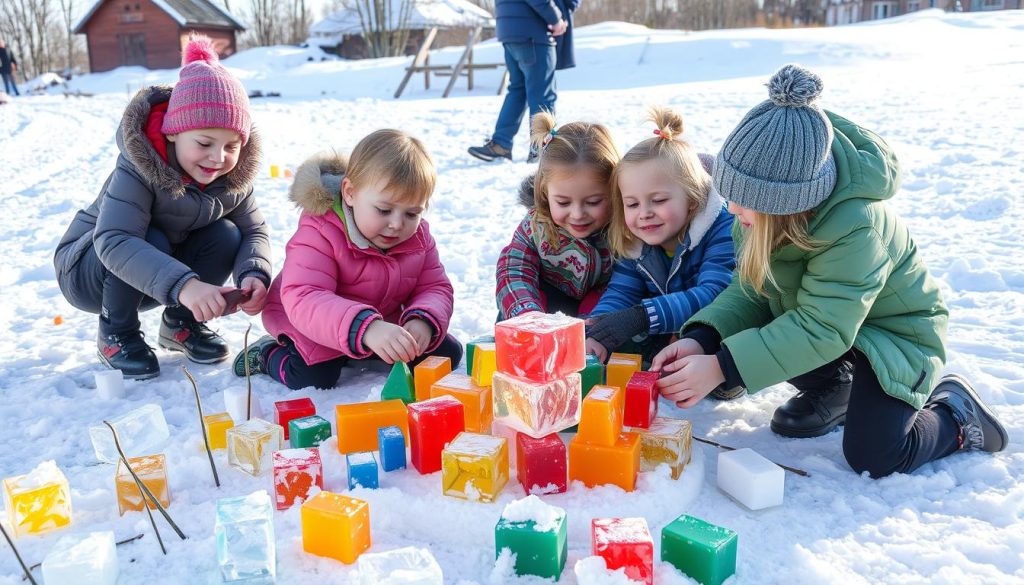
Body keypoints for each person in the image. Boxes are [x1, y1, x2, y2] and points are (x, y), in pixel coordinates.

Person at [652, 64, 1008, 478]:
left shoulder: (857, 227)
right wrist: (705, 338)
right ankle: (836, 386)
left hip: (894, 335)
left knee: (876, 456)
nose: (732, 209)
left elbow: (822, 328)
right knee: (751, 343)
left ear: (787, 202)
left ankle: (957, 415)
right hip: (832, 327)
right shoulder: (759, 217)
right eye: (730, 195)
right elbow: (750, 290)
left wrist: (726, 366)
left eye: (744, 201)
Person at [53, 36, 271, 380]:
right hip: (88, 268)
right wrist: (187, 286)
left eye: (231, 145)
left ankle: (181, 325)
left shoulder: (231, 177)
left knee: (228, 233)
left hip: (159, 274)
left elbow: (253, 231)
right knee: (146, 237)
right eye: (204, 143)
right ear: (172, 133)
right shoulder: (139, 167)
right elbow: (114, 239)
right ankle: (116, 333)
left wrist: (253, 274)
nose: (218, 157)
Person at [234, 129, 462, 390]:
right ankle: (266, 355)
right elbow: (305, 295)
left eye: (412, 213)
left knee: (446, 352)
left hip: (377, 319)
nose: (397, 224)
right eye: (384, 210)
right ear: (350, 192)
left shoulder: (418, 237)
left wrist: (422, 319)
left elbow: (435, 286)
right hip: (309, 320)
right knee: (314, 377)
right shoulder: (320, 231)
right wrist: (367, 329)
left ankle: (361, 346)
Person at [584, 107, 735, 364]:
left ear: (692, 198)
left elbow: (716, 293)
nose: (644, 213)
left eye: (658, 200)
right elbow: (623, 291)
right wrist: (597, 329)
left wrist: (641, 316)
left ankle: (724, 375)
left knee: (716, 334)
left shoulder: (722, 228)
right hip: (670, 325)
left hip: (720, 326)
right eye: (632, 204)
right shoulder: (636, 240)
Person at [496, 112, 620, 320]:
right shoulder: (536, 226)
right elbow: (514, 268)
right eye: (563, 202)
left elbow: (629, 282)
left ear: (614, 190)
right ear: (545, 192)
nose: (578, 214)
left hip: (602, 304)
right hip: (545, 304)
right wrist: (526, 311)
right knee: (513, 310)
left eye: (593, 202)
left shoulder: (624, 228)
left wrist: (598, 318)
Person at [467, 0, 578, 163]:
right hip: (533, 33)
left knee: (518, 90)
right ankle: (542, 149)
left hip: (510, 30)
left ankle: (501, 144)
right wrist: (556, 19)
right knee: (543, 93)